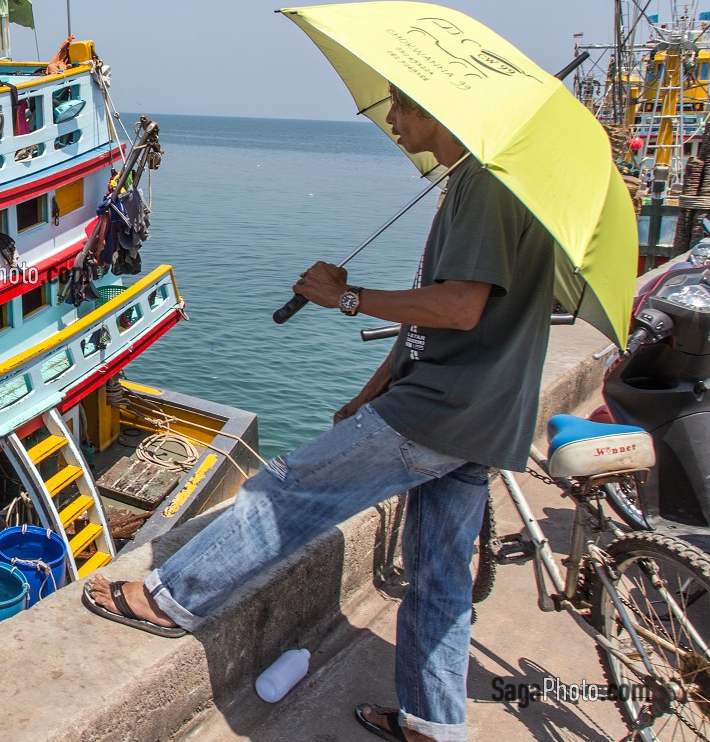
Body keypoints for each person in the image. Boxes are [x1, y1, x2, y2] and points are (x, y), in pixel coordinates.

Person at [84, 85, 557, 742]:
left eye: (404, 106)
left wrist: (348, 297)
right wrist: (371, 390)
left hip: (441, 412)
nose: (391, 119)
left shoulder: (483, 187)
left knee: (288, 487)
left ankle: (170, 597)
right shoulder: (480, 186)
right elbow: (437, 323)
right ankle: (433, 724)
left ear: (441, 110)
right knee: (440, 583)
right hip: (481, 420)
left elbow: (459, 308)